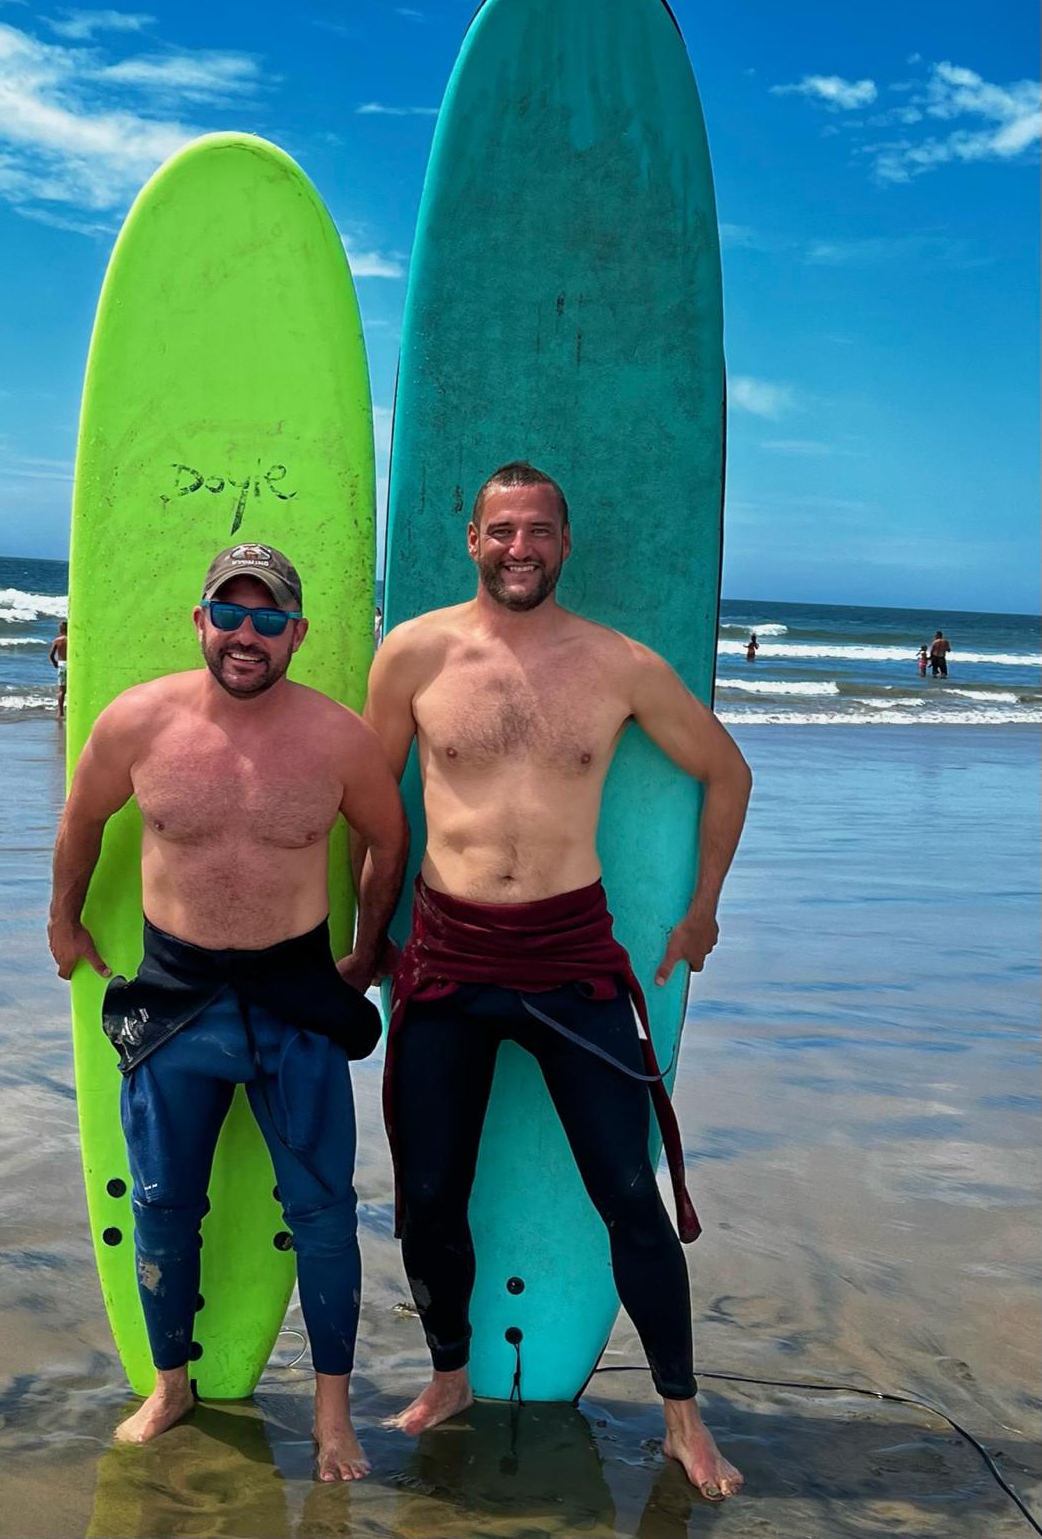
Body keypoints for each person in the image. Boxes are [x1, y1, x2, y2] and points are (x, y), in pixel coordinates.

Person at [363, 462, 751, 1503]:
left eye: (537, 530)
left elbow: (728, 772)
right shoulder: (412, 653)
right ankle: (449, 1373)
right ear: (471, 537)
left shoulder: (618, 665)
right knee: (431, 1194)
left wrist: (702, 908)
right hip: (446, 955)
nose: (518, 546)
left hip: (570, 959)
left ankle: (681, 1413)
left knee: (630, 1192)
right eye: (500, 529)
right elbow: (376, 810)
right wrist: (365, 937)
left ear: (566, 542)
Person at [49, 542, 408, 1479]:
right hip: (174, 1002)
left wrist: (367, 951)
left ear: (296, 633)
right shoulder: (137, 722)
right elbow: (82, 818)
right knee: (165, 1207)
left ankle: (334, 1415)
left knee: (325, 1214)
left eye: (268, 620)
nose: (246, 635)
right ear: (200, 620)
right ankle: (171, 1384)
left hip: (296, 999)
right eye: (229, 614)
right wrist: (63, 920)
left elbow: (388, 839)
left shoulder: (337, 739)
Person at [49, 619, 68, 718]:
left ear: (60, 630)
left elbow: (51, 655)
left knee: (62, 690)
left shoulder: (57, 640)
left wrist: (55, 664)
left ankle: (60, 712)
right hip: (71, 665)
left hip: (62, 665)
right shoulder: (72, 640)